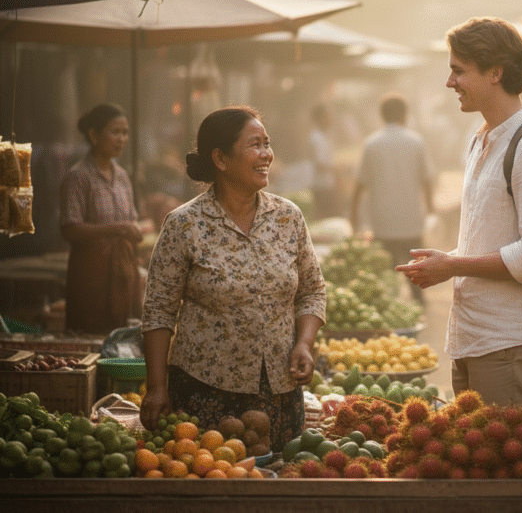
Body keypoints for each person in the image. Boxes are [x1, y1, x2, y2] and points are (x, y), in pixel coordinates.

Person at [396, 17, 522, 414]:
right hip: (474, 337)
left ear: (496, 72)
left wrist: (454, 265)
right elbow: (490, 237)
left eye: (459, 71)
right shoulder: (482, 140)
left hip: (508, 343)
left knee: (504, 472)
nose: (450, 82)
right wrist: (447, 261)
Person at [139, 106, 326, 452]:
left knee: (278, 486)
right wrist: (156, 387)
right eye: (254, 145)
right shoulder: (184, 225)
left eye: (267, 144)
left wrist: (304, 342)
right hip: (205, 390)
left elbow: (312, 291)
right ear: (221, 160)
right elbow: (159, 312)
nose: (266, 154)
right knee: (209, 481)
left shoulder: (288, 218)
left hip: (279, 392)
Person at [60, 103, 145, 335]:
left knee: (124, 338)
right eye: (115, 132)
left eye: (125, 132)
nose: (122, 139)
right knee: (92, 334)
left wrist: (133, 230)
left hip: (123, 270)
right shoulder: (78, 177)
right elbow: (70, 229)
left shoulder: (122, 177)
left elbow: (131, 221)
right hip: (91, 276)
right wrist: (118, 228)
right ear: (94, 135)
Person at [350, 93, 434, 305]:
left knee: (386, 275)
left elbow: (359, 185)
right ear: (405, 115)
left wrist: (354, 216)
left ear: (382, 116)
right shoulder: (416, 141)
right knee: (416, 272)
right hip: (411, 220)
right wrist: (430, 208)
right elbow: (427, 179)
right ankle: (418, 307)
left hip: (382, 222)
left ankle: (388, 310)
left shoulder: (371, 144)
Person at [308, 103, 338, 220]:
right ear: (320, 118)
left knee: (329, 217)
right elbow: (320, 165)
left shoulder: (324, 136)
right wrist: (338, 169)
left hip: (327, 184)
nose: (330, 119)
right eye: (327, 116)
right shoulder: (316, 137)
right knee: (324, 217)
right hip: (321, 185)